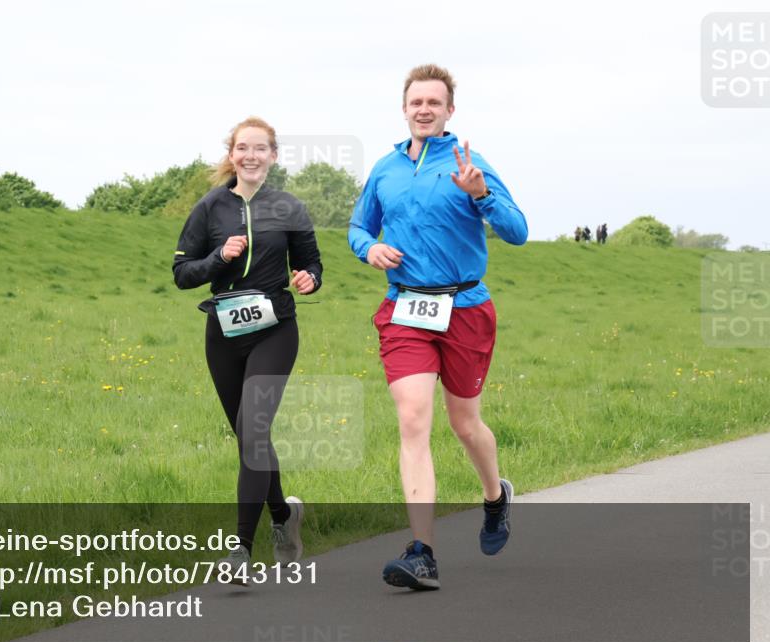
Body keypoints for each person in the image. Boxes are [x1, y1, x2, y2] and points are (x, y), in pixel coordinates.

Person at [348, 64, 528, 590]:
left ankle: (495, 497)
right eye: (415, 102)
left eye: (434, 102)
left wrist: (481, 196)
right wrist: (370, 248)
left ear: (450, 110)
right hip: (405, 308)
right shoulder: (385, 169)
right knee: (412, 419)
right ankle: (421, 551)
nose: (423, 109)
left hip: (465, 309)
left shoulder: (471, 163)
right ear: (404, 109)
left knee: (465, 425)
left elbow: (517, 232)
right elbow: (359, 226)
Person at [173, 116, 323, 584]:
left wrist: (309, 279)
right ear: (232, 154)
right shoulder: (210, 207)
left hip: (275, 329)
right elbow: (182, 273)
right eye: (243, 148)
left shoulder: (290, 207)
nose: (251, 156)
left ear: (273, 156)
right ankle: (283, 516)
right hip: (223, 332)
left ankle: (240, 550)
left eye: (261, 149)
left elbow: (312, 264)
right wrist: (221, 258)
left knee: (253, 428)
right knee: (249, 438)